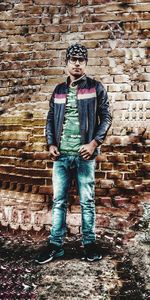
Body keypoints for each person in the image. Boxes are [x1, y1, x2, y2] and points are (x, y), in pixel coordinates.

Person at [36, 43, 112, 264]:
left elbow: (106, 117)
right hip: (61, 157)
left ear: (86, 63)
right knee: (59, 201)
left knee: (87, 201)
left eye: (81, 59)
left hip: (84, 157)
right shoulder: (59, 90)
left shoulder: (96, 88)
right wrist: (51, 143)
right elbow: (50, 119)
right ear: (67, 62)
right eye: (73, 59)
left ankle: (89, 244)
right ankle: (55, 246)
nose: (77, 63)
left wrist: (94, 143)